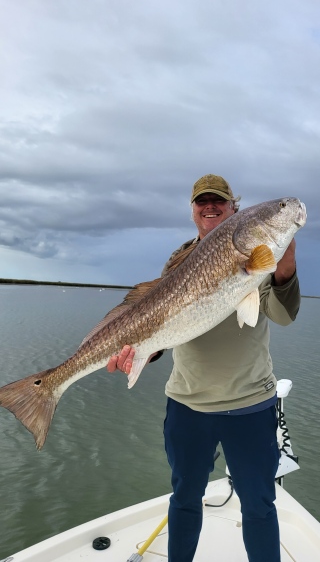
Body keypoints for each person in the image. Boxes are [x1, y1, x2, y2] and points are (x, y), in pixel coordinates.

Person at [107, 174, 300, 562]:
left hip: (250, 405)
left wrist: (284, 267)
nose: (210, 206)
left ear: (234, 208)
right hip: (188, 405)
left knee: (259, 506)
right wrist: (141, 353)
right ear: (193, 210)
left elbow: (281, 314)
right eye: (202, 201)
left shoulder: (260, 254)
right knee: (184, 499)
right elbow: (163, 326)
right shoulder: (178, 261)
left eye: (219, 201)